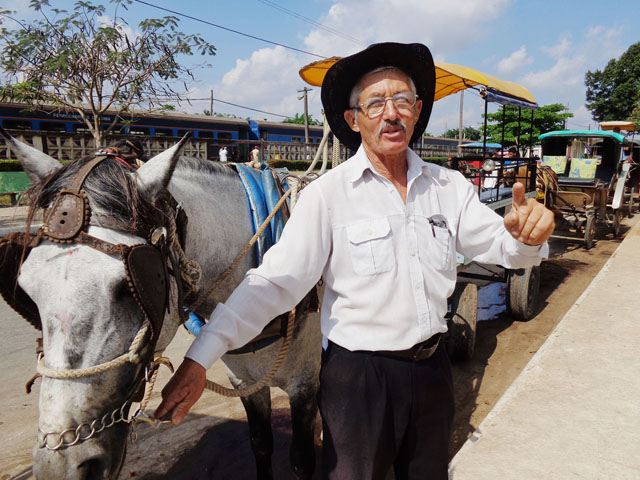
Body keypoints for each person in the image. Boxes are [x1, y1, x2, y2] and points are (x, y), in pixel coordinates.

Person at [155, 42, 555, 479]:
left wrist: (527, 237)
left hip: (432, 373)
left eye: (402, 99)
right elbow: (273, 284)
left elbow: (504, 247)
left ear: (418, 111)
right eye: (376, 102)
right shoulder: (327, 196)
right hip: (359, 380)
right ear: (353, 119)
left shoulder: (450, 188)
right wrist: (198, 359)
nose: (391, 113)